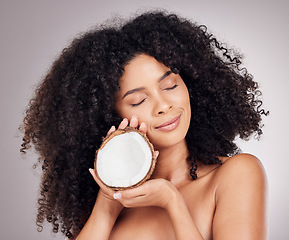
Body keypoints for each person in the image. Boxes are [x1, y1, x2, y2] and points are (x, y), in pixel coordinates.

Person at [21, 11, 268, 239]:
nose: (163, 105)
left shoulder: (235, 174)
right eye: (138, 101)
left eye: (170, 85)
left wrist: (173, 202)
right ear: (111, 116)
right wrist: (107, 204)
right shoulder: (111, 202)